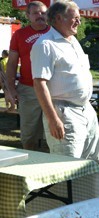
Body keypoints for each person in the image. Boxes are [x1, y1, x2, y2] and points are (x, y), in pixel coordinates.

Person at [31, 0, 99, 162]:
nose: (79, 21)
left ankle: (90, 189)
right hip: (63, 113)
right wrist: (53, 119)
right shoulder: (45, 44)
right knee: (66, 166)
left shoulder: (73, 41)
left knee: (91, 163)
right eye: (75, 18)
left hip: (86, 110)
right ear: (58, 18)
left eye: (79, 18)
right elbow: (39, 83)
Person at [5, 1, 49, 150]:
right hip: (29, 89)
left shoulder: (56, 33)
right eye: (36, 13)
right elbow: (11, 63)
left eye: (43, 13)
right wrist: (10, 89)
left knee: (55, 133)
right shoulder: (20, 34)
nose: (40, 16)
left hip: (54, 89)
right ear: (28, 15)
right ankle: (30, 162)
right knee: (29, 134)